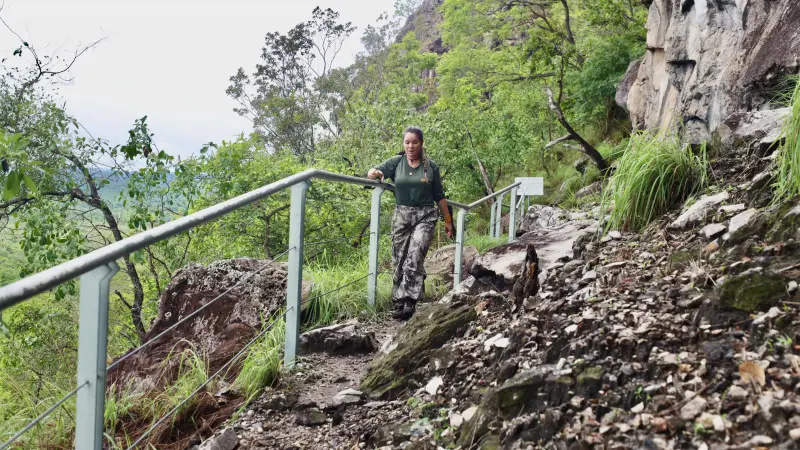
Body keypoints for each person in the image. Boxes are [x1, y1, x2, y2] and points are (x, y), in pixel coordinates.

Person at [367, 126, 454, 320]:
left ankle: (409, 301)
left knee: (415, 255)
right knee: (399, 259)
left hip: (425, 216)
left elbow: (439, 196)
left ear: (421, 143)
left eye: (414, 142)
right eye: (407, 142)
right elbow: (374, 171)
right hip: (402, 216)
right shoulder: (396, 162)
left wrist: (448, 220)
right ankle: (399, 301)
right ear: (403, 144)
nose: (410, 146)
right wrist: (374, 172)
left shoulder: (431, 167)